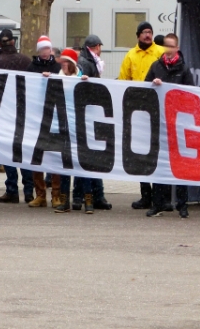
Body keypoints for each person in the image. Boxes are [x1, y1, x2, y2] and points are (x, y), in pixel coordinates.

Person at [145, 33, 195, 219]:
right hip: (160, 122)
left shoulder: (184, 69)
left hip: (178, 123)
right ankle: (158, 203)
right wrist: (153, 85)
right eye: (166, 45)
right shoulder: (156, 66)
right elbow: (144, 89)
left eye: (172, 46)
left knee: (180, 164)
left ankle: (182, 204)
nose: (168, 49)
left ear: (177, 48)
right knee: (160, 164)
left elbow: (191, 94)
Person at [118, 22, 165, 211]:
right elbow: (123, 80)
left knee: (159, 153)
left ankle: (161, 197)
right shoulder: (130, 55)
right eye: (144, 32)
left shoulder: (160, 52)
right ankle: (146, 195)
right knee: (140, 153)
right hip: (137, 109)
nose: (148, 35)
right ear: (138, 35)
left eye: (150, 32)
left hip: (158, 108)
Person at [41, 48, 92, 214]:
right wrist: (45, 81)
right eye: (61, 62)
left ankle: (88, 200)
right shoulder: (58, 77)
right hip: (63, 126)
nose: (62, 64)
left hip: (79, 127)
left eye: (65, 62)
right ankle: (64, 201)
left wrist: (87, 84)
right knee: (65, 165)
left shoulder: (81, 78)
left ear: (72, 63)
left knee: (82, 165)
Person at [0, 29, 35, 204]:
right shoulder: (26, 61)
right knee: (24, 152)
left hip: (5, 113)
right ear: (13, 42)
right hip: (24, 112)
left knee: (8, 152)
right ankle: (29, 190)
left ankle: (12, 189)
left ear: (0, 43)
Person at [73, 34, 112, 211]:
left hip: (88, 113)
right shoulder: (87, 63)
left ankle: (88, 195)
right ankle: (89, 195)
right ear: (96, 47)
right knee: (90, 157)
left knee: (91, 157)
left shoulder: (86, 61)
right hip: (88, 114)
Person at [25, 35, 63, 208]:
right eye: (42, 49)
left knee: (54, 155)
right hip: (37, 116)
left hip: (54, 117)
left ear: (50, 49)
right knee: (37, 156)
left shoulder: (57, 67)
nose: (45, 52)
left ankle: (56, 194)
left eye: (47, 48)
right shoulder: (32, 67)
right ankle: (40, 194)